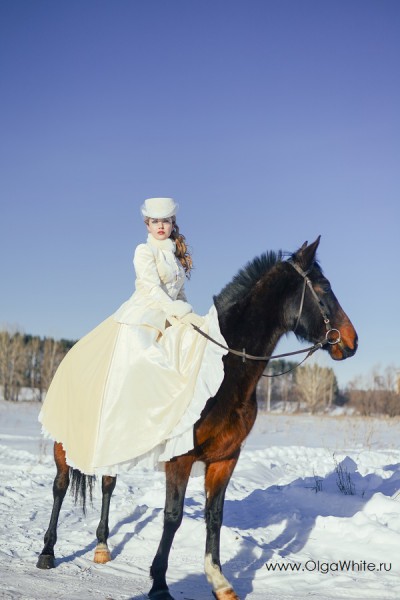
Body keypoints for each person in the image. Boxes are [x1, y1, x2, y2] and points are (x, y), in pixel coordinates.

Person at [39, 198, 227, 476]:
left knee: (195, 348)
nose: (160, 226)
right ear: (147, 224)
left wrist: (189, 315)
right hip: (143, 316)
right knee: (146, 357)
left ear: (172, 223)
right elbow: (152, 289)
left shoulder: (175, 254)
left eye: (165, 221)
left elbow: (178, 293)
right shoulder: (144, 251)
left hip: (170, 315)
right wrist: (175, 310)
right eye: (155, 222)